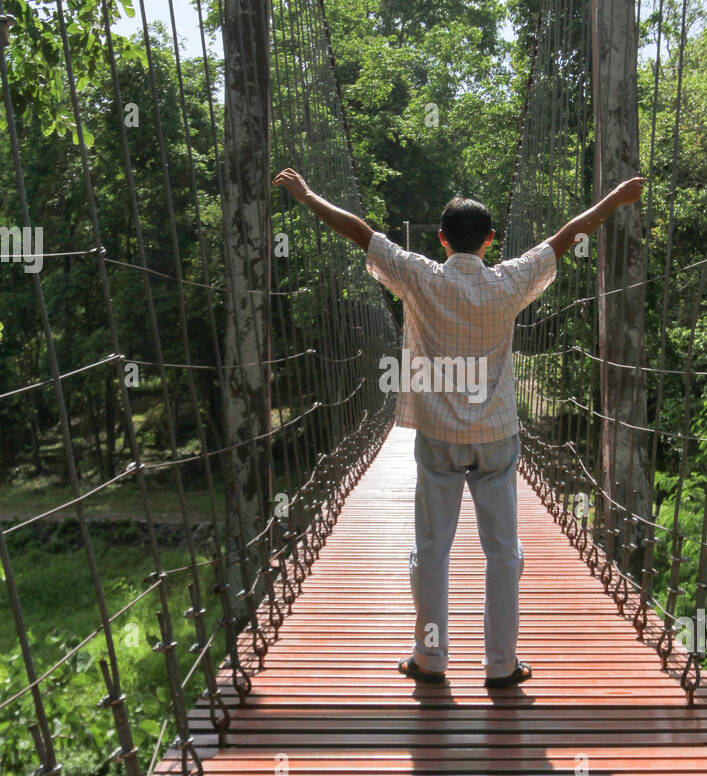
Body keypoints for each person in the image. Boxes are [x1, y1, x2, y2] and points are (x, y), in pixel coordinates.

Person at [272, 167, 644, 688]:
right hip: (495, 437)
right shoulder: (510, 280)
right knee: (503, 552)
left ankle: (430, 660)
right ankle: (501, 667)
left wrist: (308, 194)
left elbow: (359, 232)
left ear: (442, 240)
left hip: (439, 435)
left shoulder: (419, 276)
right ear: (490, 241)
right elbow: (566, 237)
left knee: (431, 550)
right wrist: (615, 199)